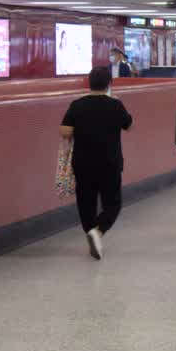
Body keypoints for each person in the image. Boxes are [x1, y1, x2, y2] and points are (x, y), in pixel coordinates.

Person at [60, 67, 133, 260]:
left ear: (88, 82)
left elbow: (65, 131)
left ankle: (90, 231)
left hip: (83, 163)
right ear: (109, 83)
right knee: (113, 203)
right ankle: (98, 232)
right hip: (110, 162)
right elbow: (129, 125)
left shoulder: (77, 105)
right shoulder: (115, 105)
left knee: (86, 202)